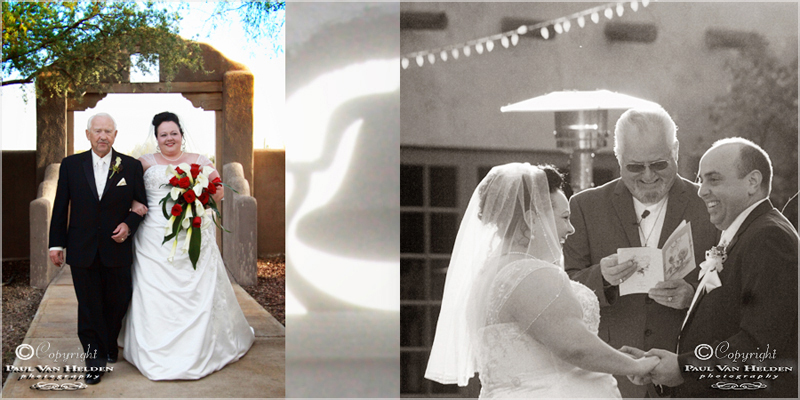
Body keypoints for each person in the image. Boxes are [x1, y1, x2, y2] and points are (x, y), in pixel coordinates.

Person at [425, 163, 659, 398]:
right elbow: (574, 346)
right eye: (565, 217)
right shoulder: (530, 273)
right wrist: (636, 366)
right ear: (531, 219)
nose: (571, 229)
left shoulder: (490, 274)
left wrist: (618, 360)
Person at [563, 107, 719, 397]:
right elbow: (562, 289)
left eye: (659, 164)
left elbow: (737, 288)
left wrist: (692, 297)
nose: (648, 176)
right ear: (619, 159)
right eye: (635, 167)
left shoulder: (709, 204)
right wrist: (602, 277)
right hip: (611, 375)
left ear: (675, 151)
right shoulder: (585, 207)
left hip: (686, 373)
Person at [630, 138, 798, 397]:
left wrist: (684, 368)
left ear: (752, 182)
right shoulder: (744, 233)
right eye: (700, 179)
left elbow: (760, 344)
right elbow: (727, 318)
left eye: (714, 179)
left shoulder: (768, 238)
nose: (701, 190)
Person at [121, 111, 255, 380]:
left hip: (193, 230)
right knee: (153, 289)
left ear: (181, 135)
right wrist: (134, 204)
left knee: (198, 287)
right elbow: (127, 192)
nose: (169, 138)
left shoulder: (200, 161)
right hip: (154, 236)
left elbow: (218, 191)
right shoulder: (144, 163)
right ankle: (154, 347)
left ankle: (202, 346)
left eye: (174, 133)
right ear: (156, 139)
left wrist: (197, 207)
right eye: (163, 135)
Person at [48, 113, 148, 384]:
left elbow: (141, 205)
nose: (102, 136)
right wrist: (56, 244)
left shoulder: (129, 166)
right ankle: (94, 361)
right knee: (89, 307)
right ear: (88, 134)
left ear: (115, 135)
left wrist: (129, 224)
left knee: (118, 301)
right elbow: (60, 207)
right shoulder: (71, 165)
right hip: (82, 248)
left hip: (117, 249)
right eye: (97, 131)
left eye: (108, 131)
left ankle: (108, 342)